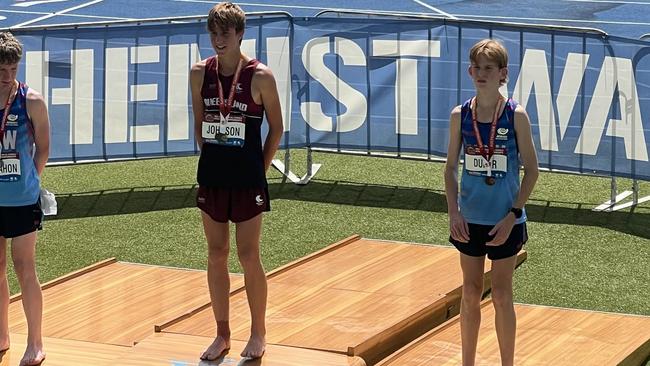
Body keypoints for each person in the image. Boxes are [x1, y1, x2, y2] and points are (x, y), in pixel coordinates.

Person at [189, 2, 283, 361]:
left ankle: (258, 332)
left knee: (248, 255)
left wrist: (259, 167)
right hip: (213, 176)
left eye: (225, 34)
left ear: (240, 34)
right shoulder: (200, 73)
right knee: (216, 255)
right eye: (213, 33)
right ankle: (222, 333)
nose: (218, 40)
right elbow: (200, 125)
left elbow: (276, 128)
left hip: (248, 180)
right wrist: (215, 157)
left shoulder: (260, 76)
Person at [444, 39, 539, 366]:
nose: (482, 74)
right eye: (478, 68)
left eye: (489, 68)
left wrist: (513, 214)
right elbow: (449, 169)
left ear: (503, 74)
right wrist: (453, 212)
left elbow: (532, 171)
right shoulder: (461, 115)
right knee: (469, 293)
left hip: (505, 221)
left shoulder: (516, 115)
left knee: (500, 294)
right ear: (470, 71)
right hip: (469, 220)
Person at [0, 32, 50, 366]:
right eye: (2, 70)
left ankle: (35, 342)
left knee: (24, 267)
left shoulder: (31, 100)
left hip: (21, 199)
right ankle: (1, 334)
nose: (8, 76)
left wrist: (29, 181)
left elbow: (43, 148)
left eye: (13, 69)